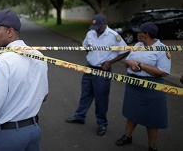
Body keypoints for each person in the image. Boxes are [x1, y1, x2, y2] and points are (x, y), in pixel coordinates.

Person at [0, 9, 49, 151]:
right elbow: (44, 96)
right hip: (32, 132)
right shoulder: (38, 55)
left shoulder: (0, 61)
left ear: (10, 32)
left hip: (7, 138)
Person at [65, 14, 129, 136]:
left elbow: (125, 50)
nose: (96, 29)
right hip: (89, 68)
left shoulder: (114, 36)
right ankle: (79, 116)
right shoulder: (91, 33)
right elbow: (84, 45)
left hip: (102, 71)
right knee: (85, 94)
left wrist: (110, 62)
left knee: (101, 99)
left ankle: (102, 124)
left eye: (98, 27)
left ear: (105, 23)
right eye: (94, 26)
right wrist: (87, 48)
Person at [115, 22, 171, 151]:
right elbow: (127, 61)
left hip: (151, 86)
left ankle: (152, 147)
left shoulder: (162, 49)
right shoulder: (137, 45)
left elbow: (164, 71)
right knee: (132, 112)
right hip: (134, 84)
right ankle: (127, 136)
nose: (137, 34)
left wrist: (141, 65)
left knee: (152, 118)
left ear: (146, 34)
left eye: (139, 32)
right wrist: (129, 62)